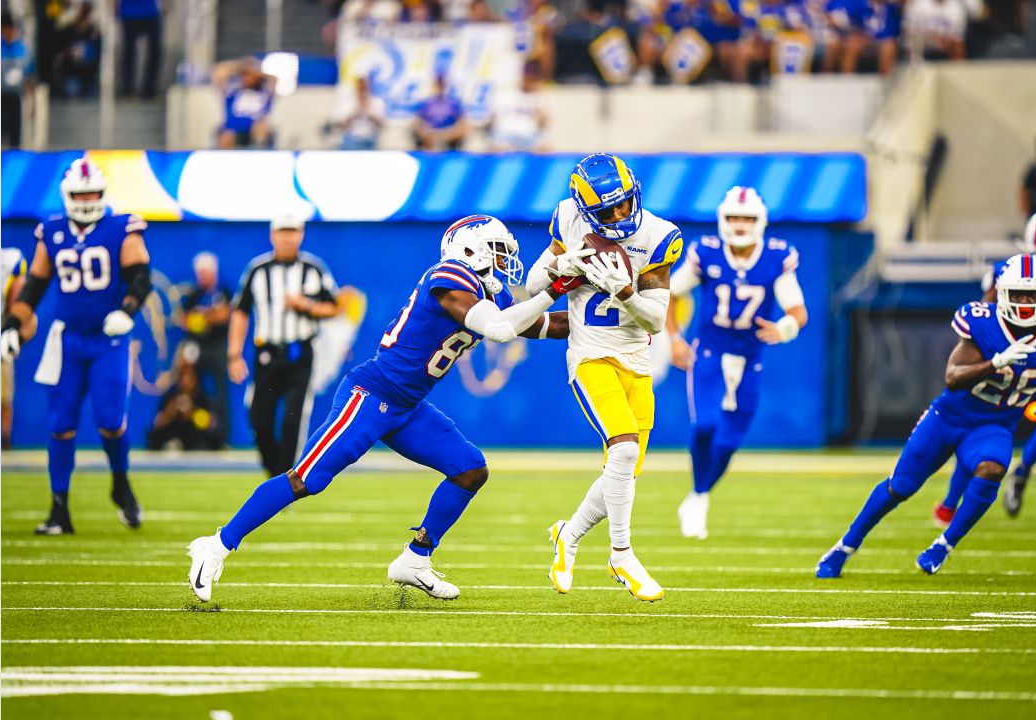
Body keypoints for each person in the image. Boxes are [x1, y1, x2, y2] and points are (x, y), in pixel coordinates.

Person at [188, 215, 573, 602]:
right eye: (499, 253)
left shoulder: (489, 295)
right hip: (371, 395)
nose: (505, 263)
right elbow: (499, 328)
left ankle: (415, 560)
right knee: (307, 478)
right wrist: (556, 286)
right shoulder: (450, 275)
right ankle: (216, 544)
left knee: (470, 470)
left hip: (407, 405)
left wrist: (609, 320)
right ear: (470, 252)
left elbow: (540, 324)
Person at [817, 254, 1036, 577]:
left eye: (1034, 295)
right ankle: (845, 545)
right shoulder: (982, 322)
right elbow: (953, 377)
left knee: (994, 467)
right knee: (900, 486)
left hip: (994, 425)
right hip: (948, 418)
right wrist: (995, 363)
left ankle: (944, 544)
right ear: (1002, 294)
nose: (1026, 302)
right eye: (1018, 295)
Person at [526, 153, 684, 602]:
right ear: (584, 208)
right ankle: (621, 553)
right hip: (591, 355)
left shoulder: (657, 236)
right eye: (606, 210)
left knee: (625, 473)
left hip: (636, 359)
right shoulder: (569, 221)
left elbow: (655, 322)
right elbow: (534, 286)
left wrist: (627, 292)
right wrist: (565, 266)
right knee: (624, 448)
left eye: (623, 204)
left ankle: (568, 536)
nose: (618, 216)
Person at [0, 158, 152, 535]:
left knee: (110, 422)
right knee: (60, 424)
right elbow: (33, 287)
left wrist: (128, 310)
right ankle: (59, 509)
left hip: (108, 339)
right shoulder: (50, 231)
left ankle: (121, 484)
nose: (86, 200)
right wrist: (10, 326)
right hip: (66, 339)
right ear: (67, 196)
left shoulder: (122, 227)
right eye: (80, 194)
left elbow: (140, 278)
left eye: (92, 193)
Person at [665, 187, 809, 540]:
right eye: (734, 217)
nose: (740, 224)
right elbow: (670, 292)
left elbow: (798, 311)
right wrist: (674, 339)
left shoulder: (777, 257)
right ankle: (698, 498)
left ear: (759, 221)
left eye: (747, 218)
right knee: (705, 427)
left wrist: (785, 327)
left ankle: (700, 494)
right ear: (722, 220)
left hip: (750, 359)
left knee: (728, 443)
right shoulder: (707, 252)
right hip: (709, 352)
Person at [933, 209, 1036, 524]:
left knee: (981, 423)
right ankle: (1022, 471)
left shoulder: (1008, 269)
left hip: (1014, 357)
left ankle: (950, 502)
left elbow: (986, 312)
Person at [228, 214, 341, 480]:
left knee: (292, 421)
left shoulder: (314, 268)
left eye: (293, 231)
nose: (288, 237)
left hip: (300, 354)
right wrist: (234, 354)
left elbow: (335, 307)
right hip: (267, 354)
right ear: (272, 235)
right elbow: (240, 312)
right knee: (260, 421)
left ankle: (283, 481)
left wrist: (306, 305)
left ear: (301, 234)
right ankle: (274, 472)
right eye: (283, 231)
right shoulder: (257, 269)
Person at [176, 252, 231, 444]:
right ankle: (192, 437)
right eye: (201, 273)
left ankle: (222, 436)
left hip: (218, 347)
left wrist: (202, 318)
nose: (203, 277)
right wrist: (210, 316)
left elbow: (225, 315)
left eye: (206, 273)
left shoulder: (223, 292)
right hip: (197, 347)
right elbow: (184, 320)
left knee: (221, 391)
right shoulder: (193, 294)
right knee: (191, 389)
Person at [147, 356, 225, 451]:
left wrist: (192, 413)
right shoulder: (171, 396)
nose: (185, 381)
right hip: (173, 441)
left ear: (195, 378)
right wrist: (170, 413)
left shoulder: (203, 399)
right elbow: (157, 425)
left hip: (196, 443)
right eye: (182, 376)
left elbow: (211, 426)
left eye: (189, 376)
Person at [2, 246, 31, 449]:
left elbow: (26, 316)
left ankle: (3, 440)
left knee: (3, 396)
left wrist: (11, 337)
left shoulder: (9, 260)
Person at [214, 58, 277, 149]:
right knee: (227, 134)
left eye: (250, 76)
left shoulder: (264, 92)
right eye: (245, 75)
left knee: (262, 128)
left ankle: (259, 151)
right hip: (233, 125)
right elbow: (219, 73)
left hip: (255, 124)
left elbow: (274, 79)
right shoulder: (232, 91)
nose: (247, 78)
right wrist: (240, 66)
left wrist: (256, 70)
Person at [489, 62, 549, 152]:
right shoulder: (508, 93)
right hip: (506, 134)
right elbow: (494, 116)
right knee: (499, 147)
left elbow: (543, 121)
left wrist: (538, 97)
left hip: (529, 135)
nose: (528, 80)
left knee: (545, 148)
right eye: (527, 77)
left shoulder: (539, 97)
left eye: (532, 78)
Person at [1, 14, 34, 149]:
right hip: (0, 98)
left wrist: (33, 103)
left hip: (15, 97)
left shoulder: (22, 49)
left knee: (15, 137)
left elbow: (29, 75)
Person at [413, 74, 469, 151]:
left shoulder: (453, 103)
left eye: (442, 84)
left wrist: (447, 136)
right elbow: (417, 122)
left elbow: (463, 124)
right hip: (429, 135)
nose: (440, 87)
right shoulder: (426, 103)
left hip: (449, 135)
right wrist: (425, 133)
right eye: (438, 84)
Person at [118, 0, 162, 98]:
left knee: (155, 50)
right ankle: (127, 89)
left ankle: (149, 89)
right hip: (129, 11)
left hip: (151, 10)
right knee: (129, 52)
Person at [335, 76, 385, 151]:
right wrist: (355, 112)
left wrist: (369, 112)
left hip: (370, 138)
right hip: (351, 138)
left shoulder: (376, 101)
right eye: (360, 87)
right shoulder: (348, 102)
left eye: (364, 87)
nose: (362, 90)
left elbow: (381, 123)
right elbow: (340, 125)